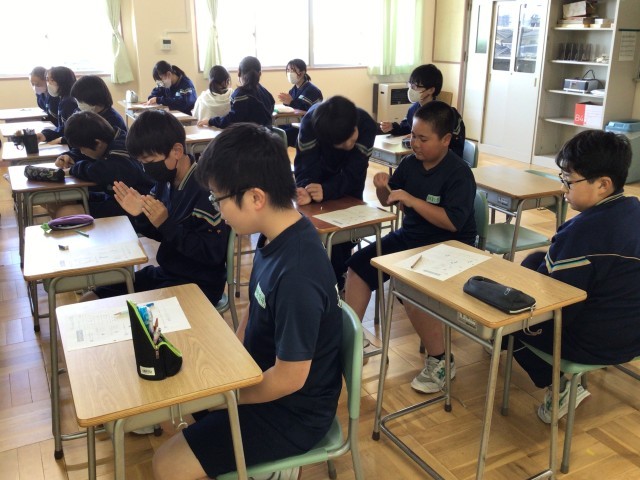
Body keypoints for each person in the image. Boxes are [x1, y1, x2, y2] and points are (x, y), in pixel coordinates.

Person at [152, 122, 342, 480]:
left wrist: (229, 396)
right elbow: (254, 308)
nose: (218, 210)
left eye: (218, 199)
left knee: (166, 464)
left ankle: (272, 469)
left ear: (256, 198)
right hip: (260, 378)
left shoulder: (298, 272)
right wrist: (229, 363)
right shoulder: (273, 236)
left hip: (292, 412)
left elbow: (289, 378)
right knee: (187, 387)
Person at [509, 130, 640, 424]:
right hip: (633, 332)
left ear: (603, 184)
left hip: (598, 344)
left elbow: (557, 309)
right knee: (534, 261)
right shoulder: (633, 210)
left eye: (569, 180)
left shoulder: (581, 233)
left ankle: (560, 387)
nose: (563, 187)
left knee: (507, 322)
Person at [345, 101, 476, 391]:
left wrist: (413, 200)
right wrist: (382, 188)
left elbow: (452, 223)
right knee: (358, 267)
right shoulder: (410, 164)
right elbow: (392, 200)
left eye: (423, 138)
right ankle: (351, 339)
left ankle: (441, 360)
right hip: (412, 239)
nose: (415, 143)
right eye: (413, 136)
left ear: (446, 139)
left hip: (451, 248)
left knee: (410, 289)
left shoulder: (459, 173)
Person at [81, 109, 229, 306]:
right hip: (168, 273)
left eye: (149, 161)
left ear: (177, 151)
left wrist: (166, 224)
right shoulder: (165, 181)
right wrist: (141, 215)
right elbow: (162, 234)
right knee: (91, 299)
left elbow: (211, 254)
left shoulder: (205, 192)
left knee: (124, 312)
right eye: (141, 163)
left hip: (199, 283)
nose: (146, 168)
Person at [294, 95, 377, 288]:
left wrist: (328, 190)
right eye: (342, 144)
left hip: (349, 186)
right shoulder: (310, 124)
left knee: (342, 236)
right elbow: (305, 165)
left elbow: (354, 172)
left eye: (351, 138)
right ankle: (311, 278)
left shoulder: (366, 124)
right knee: (309, 227)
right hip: (318, 180)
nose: (349, 145)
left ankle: (337, 281)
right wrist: (307, 188)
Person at [54, 111, 153, 218]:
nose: (82, 152)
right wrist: (70, 156)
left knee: (65, 212)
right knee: (67, 198)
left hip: (136, 209)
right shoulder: (114, 136)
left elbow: (97, 170)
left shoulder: (119, 157)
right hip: (116, 198)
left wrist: (72, 169)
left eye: (82, 149)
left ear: (98, 143)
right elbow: (89, 153)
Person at [379, 64, 466, 158]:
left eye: (416, 86)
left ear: (431, 90)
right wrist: (392, 127)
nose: (411, 90)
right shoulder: (413, 109)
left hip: (445, 160)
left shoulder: (447, 114)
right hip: (420, 157)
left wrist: (420, 137)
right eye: (410, 85)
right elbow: (405, 128)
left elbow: (454, 146)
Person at [197, 56, 274, 129]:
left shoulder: (240, 94)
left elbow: (232, 120)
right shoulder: (265, 92)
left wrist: (211, 121)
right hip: (267, 135)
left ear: (238, 72)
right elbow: (272, 104)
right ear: (260, 74)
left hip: (250, 136)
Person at [277, 58, 323, 146]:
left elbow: (310, 112)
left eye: (292, 70)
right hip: (294, 124)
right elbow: (291, 108)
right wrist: (286, 103)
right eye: (288, 70)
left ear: (302, 73)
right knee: (276, 128)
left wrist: (291, 102)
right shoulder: (293, 90)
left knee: (279, 135)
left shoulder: (312, 90)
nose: (289, 73)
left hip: (307, 127)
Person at [36, 66, 77, 144]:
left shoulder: (69, 102)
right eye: (47, 80)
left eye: (52, 80)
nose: (48, 84)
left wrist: (59, 140)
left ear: (62, 81)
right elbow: (62, 129)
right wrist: (45, 135)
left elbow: (72, 133)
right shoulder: (63, 99)